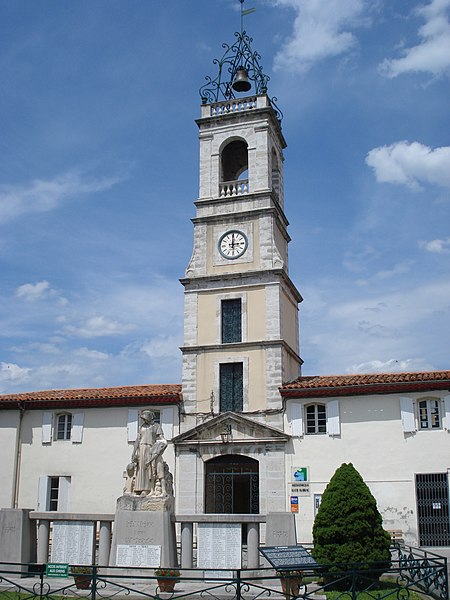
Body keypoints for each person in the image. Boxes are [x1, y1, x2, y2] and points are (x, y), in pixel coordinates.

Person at [131, 410, 168, 496]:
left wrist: (162, 445)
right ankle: (140, 488)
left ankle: (147, 489)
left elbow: (161, 438)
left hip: (151, 448)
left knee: (149, 469)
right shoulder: (142, 426)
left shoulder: (156, 426)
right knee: (141, 468)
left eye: (145, 417)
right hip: (141, 447)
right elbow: (138, 439)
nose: (144, 420)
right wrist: (134, 452)